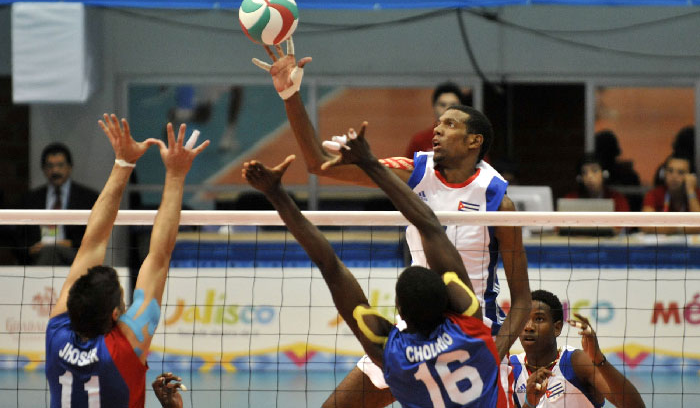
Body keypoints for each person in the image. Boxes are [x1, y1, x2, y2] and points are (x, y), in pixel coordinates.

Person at [251, 38, 530, 408]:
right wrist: (290, 94)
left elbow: (522, 300)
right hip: (414, 328)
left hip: (472, 329)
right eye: (437, 123)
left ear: (474, 141)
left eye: (449, 124)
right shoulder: (415, 173)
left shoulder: (498, 202)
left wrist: (493, 353)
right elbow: (317, 163)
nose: (437, 130)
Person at [242, 122, 510, 408]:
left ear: (399, 313)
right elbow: (430, 226)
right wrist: (370, 162)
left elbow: (330, 267)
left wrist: (276, 194)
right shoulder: (471, 325)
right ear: (454, 296)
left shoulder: (392, 355)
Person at [45, 114, 209, 407]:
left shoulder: (57, 334)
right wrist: (175, 175)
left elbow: (92, 243)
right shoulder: (125, 347)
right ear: (114, 315)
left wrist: (123, 163)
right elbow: (157, 258)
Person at [509, 290, 646, 408]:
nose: (529, 327)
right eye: (524, 319)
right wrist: (529, 403)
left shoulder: (576, 362)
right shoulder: (512, 367)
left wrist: (598, 358)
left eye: (539, 319)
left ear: (557, 328)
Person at [18, 142, 100, 265]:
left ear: (70, 167)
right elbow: (19, 237)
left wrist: (70, 244)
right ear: (44, 169)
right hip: (38, 255)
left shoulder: (88, 197)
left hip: (75, 255)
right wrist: (30, 248)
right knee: (48, 252)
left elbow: (96, 235)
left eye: (60, 165)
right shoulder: (30, 199)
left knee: (52, 252)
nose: (55, 170)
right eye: (50, 166)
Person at [405, 82, 469, 158]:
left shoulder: (469, 140)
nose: (447, 109)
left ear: (461, 108)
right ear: (434, 106)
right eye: (443, 105)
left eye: (453, 105)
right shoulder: (420, 140)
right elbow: (409, 165)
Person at [641, 153, 700, 234]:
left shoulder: (696, 194)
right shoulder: (654, 194)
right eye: (670, 171)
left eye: (680, 172)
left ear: (691, 177)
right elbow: (645, 225)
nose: (674, 176)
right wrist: (684, 228)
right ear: (663, 174)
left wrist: (690, 191)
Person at [564, 154, 630, 212]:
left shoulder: (618, 200)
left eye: (594, 170)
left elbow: (624, 222)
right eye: (584, 172)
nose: (589, 176)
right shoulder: (571, 200)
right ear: (580, 178)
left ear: (604, 174)